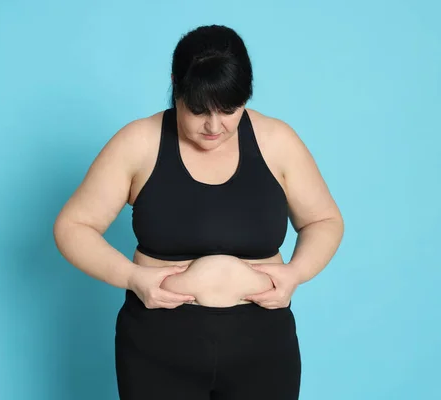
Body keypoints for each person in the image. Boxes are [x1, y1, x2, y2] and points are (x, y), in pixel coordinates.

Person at [53, 24, 344, 400]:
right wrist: (132, 277)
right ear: (176, 86)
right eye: (198, 110)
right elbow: (73, 226)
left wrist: (296, 274)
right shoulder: (138, 143)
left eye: (229, 110)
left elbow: (324, 220)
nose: (213, 126)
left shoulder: (278, 142)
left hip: (262, 346)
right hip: (157, 347)